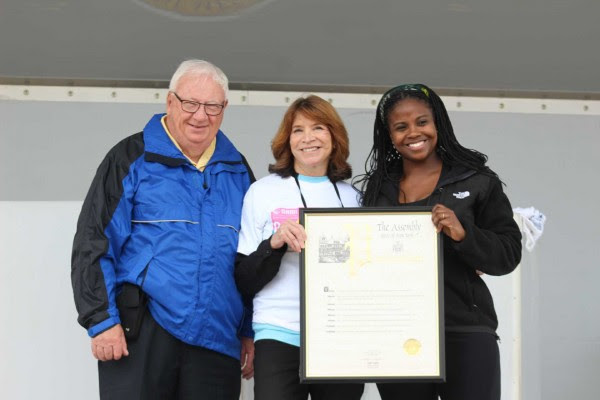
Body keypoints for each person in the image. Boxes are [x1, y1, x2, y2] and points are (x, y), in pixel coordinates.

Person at [71, 59, 255, 399]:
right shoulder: (130, 157)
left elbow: (252, 259)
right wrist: (101, 320)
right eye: (190, 103)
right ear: (170, 102)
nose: (201, 115)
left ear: (225, 109)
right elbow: (94, 241)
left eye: (212, 106)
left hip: (217, 338)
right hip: (141, 332)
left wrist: (249, 331)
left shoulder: (238, 170)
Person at [355, 84, 522, 400]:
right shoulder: (378, 190)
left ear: (438, 124)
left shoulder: (477, 181)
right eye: (400, 127)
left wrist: (464, 234)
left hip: (465, 329)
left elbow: (508, 254)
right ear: (389, 135)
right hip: (398, 336)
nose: (413, 133)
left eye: (422, 122)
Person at [234, 95, 364, 400]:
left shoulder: (354, 198)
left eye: (319, 128)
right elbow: (243, 279)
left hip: (340, 337)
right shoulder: (262, 192)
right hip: (279, 332)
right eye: (298, 130)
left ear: (334, 136)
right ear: (286, 139)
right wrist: (274, 244)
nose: (308, 138)